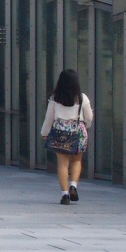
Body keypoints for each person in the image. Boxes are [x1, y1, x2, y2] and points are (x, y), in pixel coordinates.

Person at [40, 69, 94, 206]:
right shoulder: (82, 98)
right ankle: (73, 186)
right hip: (79, 130)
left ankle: (64, 195)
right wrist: (85, 126)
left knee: (63, 164)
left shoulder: (55, 98)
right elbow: (89, 117)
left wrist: (44, 132)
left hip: (60, 131)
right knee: (77, 161)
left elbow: (49, 118)